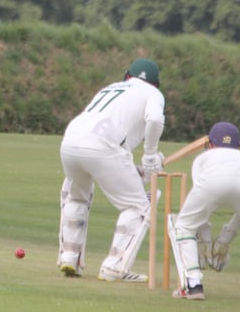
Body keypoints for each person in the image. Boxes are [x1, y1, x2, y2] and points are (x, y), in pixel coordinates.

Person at [58, 57, 165, 282]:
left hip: (70, 142)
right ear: (155, 84)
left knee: (76, 197)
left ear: (127, 76)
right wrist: (150, 154)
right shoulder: (153, 94)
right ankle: (114, 267)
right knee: (137, 206)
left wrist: (141, 168)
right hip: (104, 147)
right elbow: (155, 119)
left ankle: (69, 257)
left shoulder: (111, 88)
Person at [169, 122, 240, 300]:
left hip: (213, 180)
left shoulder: (202, 159)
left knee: (184, 226)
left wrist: (206, 242)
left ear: (210, 145)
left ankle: (194, 285)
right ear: (239, 146)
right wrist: (225, 239)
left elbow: (201, 208)